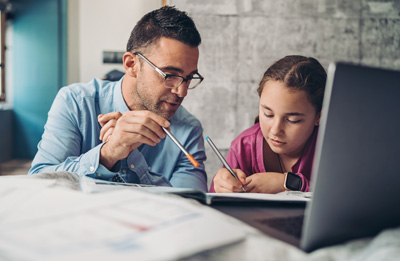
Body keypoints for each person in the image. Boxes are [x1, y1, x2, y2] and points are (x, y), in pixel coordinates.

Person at [29, 6, 208, 192]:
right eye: (170, 75)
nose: (182, 92)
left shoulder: (188, 130)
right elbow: (39, 184)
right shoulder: (76, 102)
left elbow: (191, 203)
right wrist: (108, 153)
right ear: (131, 64)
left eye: (189, 78)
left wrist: (130, 157)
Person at [210, 55, 326, 193]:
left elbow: (347, 197)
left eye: (292, 120)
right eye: (268, 114)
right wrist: (222, 186)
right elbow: (213, 206)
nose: (276, 130)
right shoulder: (242, 147)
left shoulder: (334, 147)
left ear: (319, 115)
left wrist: (289, 183)